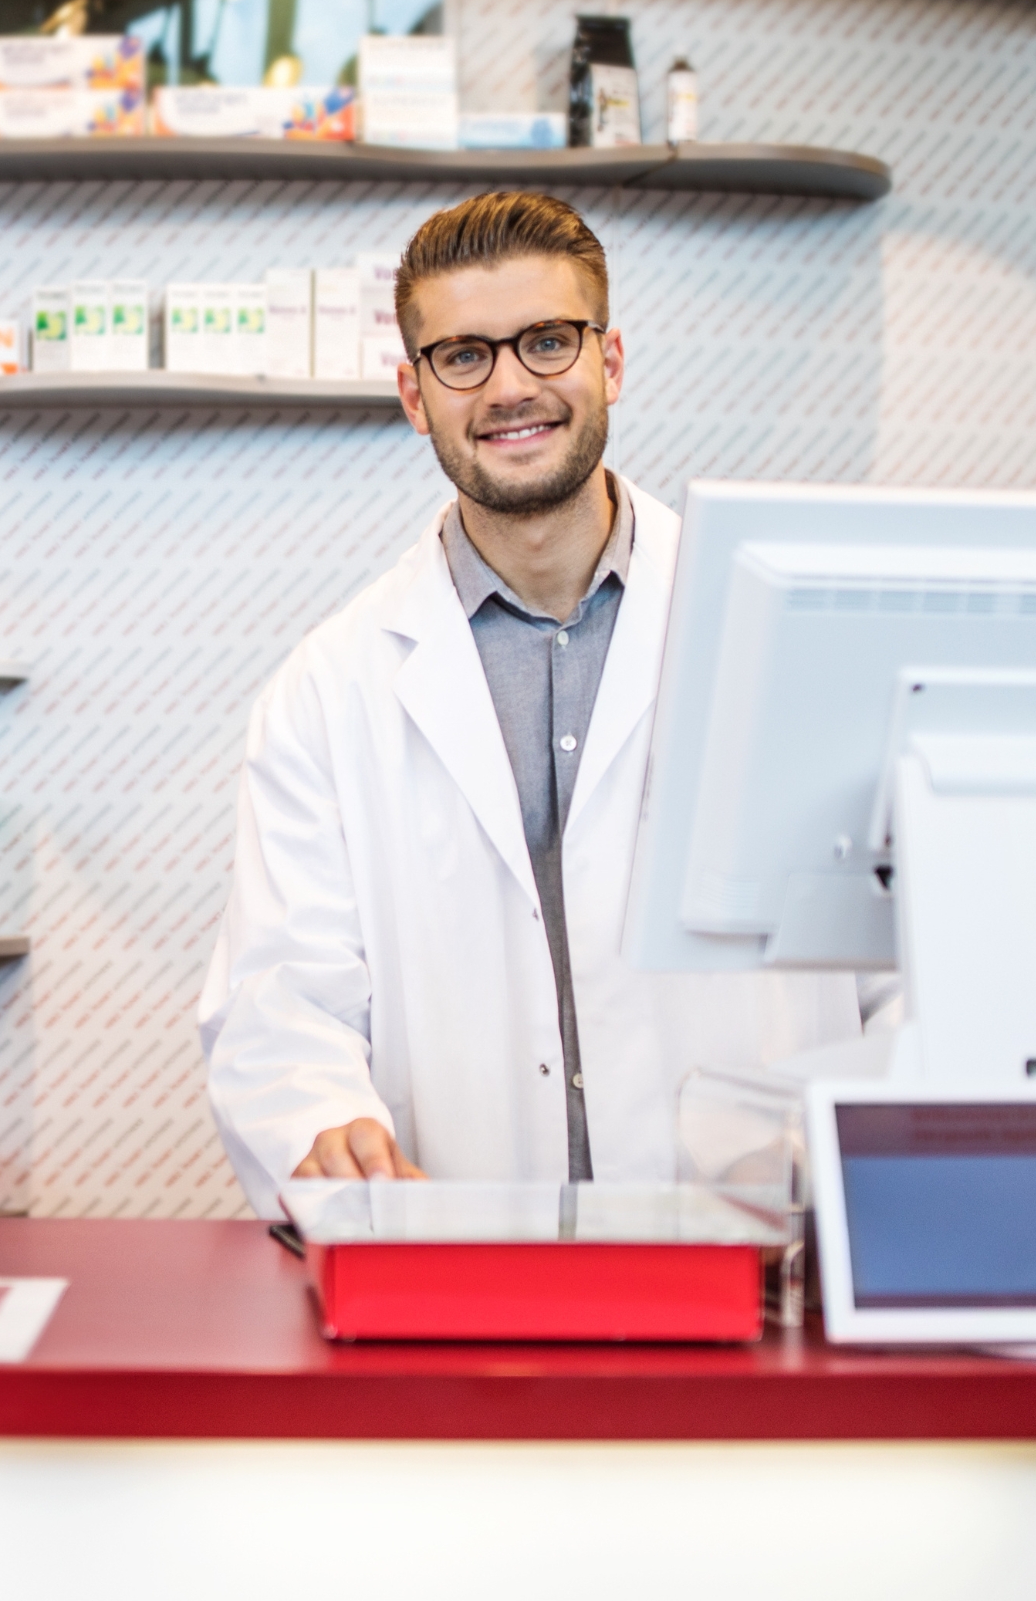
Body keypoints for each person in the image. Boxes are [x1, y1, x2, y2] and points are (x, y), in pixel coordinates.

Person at [196, 191, 864, 1215]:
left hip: (762, 1247)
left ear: (612, 362)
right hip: (464, 1265)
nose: (510, 386)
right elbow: (279, 1001)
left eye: (548, 342)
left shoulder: (787, 635)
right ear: (415, 395)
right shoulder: (328, 690)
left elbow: (897, 962)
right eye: (464, 355)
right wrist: (322, 1127)